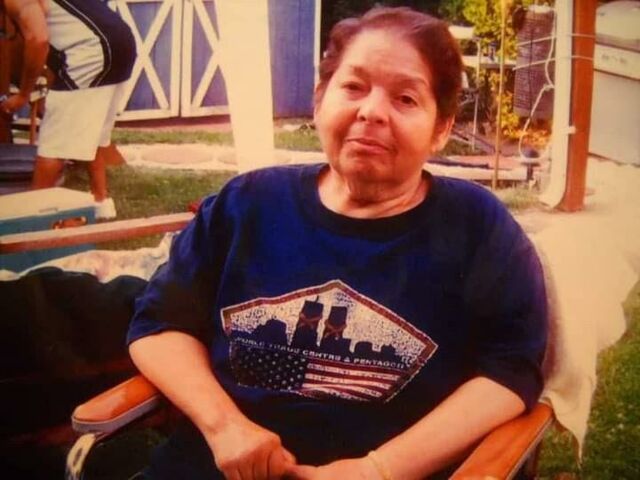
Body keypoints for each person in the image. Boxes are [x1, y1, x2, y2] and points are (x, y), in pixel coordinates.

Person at [127, 7, 547, 480]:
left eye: (406, 98)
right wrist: (225, 427)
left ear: (441, 129)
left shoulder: (477, 227)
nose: (372, 111)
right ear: (319, 101)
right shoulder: (246, 203)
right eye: (353, 87)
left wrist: (378, 470)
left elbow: (510, 370)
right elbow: (159, 324)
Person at [0, 0, 136, 218]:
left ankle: (32, 218)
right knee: (91, 131)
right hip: (121, 43)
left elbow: (38, 40)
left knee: (53, 145)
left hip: (91, 52)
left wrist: (24, 94)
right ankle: (100, 203)